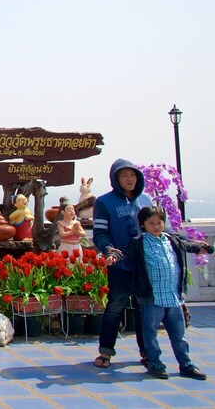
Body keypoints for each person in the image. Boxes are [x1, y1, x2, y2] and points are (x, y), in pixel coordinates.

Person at [106, 206, 215, 380]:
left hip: (173, 298)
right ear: (143, 224)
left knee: (179, 336)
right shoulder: (138, 243)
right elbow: (124, 252)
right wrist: (114, 256)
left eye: (159, 222)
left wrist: (212, 250)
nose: (156, 226)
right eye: (151, 223)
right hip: (152, 299)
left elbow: (192, 245)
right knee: (150, 335)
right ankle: (155, 363)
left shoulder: (172, 240)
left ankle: (186, 364)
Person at [92, 158, 153, 368]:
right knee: (115, 308)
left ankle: (147, 353)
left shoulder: (145, 201)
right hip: (119, 266)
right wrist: (108, 249)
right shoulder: (104, 202)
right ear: (115, 179)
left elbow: (157, 229)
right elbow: (99, 233)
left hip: (144, 267)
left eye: (133, 174)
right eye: (124, 175)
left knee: (144, 310)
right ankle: (106, 352)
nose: (130, 179)